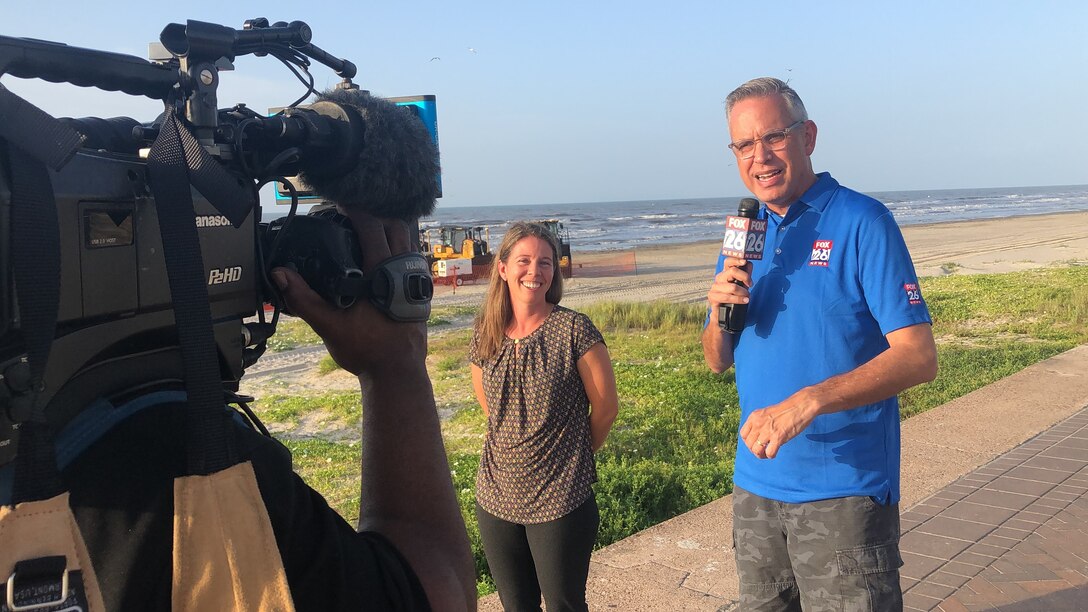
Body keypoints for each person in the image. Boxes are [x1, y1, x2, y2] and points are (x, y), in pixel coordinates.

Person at [702, 77, 938, 611]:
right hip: (756, 488)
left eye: (774, 137)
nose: (759, 156)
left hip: (843, 492)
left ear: (808, 136)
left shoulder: (863, 221)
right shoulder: (744, 233)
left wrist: (810, 400)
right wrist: (719, 314)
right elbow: (717, 361)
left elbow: (919, 356)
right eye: (743, 144)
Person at [469, 222, 618, 612]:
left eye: (545, 262)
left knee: (563, 605)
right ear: (502, 268)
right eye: (524, 261)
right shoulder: (486, 331)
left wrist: (572, 457)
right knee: (516, 606)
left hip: (560, 498)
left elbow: (605, 408)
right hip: (496, 496)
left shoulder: (574, 329)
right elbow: (491, 408)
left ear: (554, 271)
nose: (535, 272)